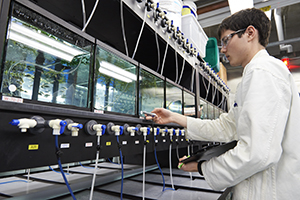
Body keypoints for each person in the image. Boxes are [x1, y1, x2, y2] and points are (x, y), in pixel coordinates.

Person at [148, 8, 300, 200]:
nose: (223, 49)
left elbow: (258, 153)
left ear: (250, 33)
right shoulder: (254, 74)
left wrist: (204, 167)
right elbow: (227, 126)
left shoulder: (263, 71)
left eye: (226, 40)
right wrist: (175, 117)